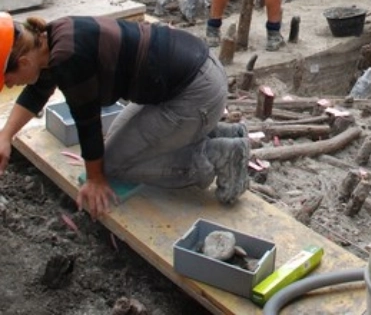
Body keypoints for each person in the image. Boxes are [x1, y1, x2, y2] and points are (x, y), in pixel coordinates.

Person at [0, 12, 250, 220]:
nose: (10, 87)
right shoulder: (50, 39)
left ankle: (218, 156)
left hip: (195, 94)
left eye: (8, 81)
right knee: (114, 152)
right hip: (192, 76)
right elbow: (37, 92)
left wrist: (96, 179)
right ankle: (219, 134)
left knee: (114, 166)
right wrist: (5, 136)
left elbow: (88, 124)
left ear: (22, 62)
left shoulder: (68, 58)